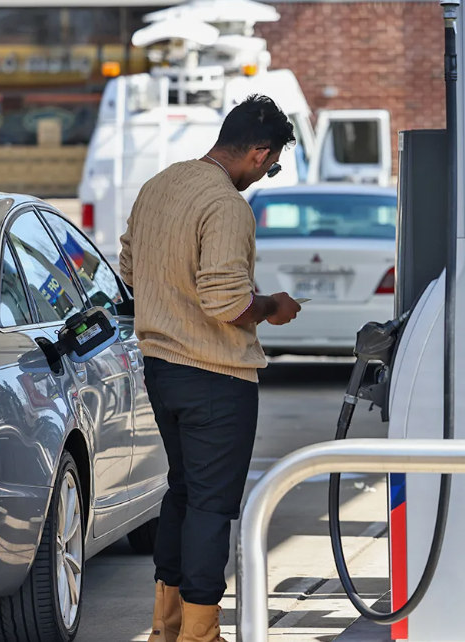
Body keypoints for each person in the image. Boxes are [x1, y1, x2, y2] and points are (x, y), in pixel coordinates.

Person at [120, 94, 301, 642]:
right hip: (215, 375)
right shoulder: (226, 205)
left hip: (162, 367)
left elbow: (129, 266)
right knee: (210, 506)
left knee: (182, 493)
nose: (264, 175)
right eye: (269, 166)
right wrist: (271, 306)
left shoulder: (162, 185)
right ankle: (201, 632)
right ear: (258, 151)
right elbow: (226, 301)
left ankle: (166, 626)